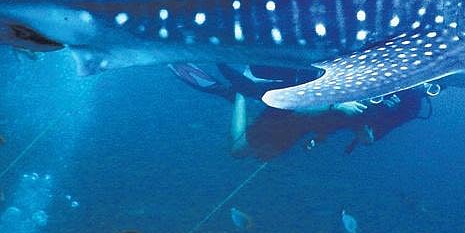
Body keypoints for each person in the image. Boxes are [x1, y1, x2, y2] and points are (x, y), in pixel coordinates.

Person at [170, 63, 431, 159]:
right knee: (238, 150)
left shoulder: (412, 103)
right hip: (303, 103)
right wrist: (337, 104)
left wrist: (359, 122)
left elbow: (368, 138)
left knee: (262, 154)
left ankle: (234, 93)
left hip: (312, 122)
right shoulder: (387, 66)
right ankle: (238, 92)